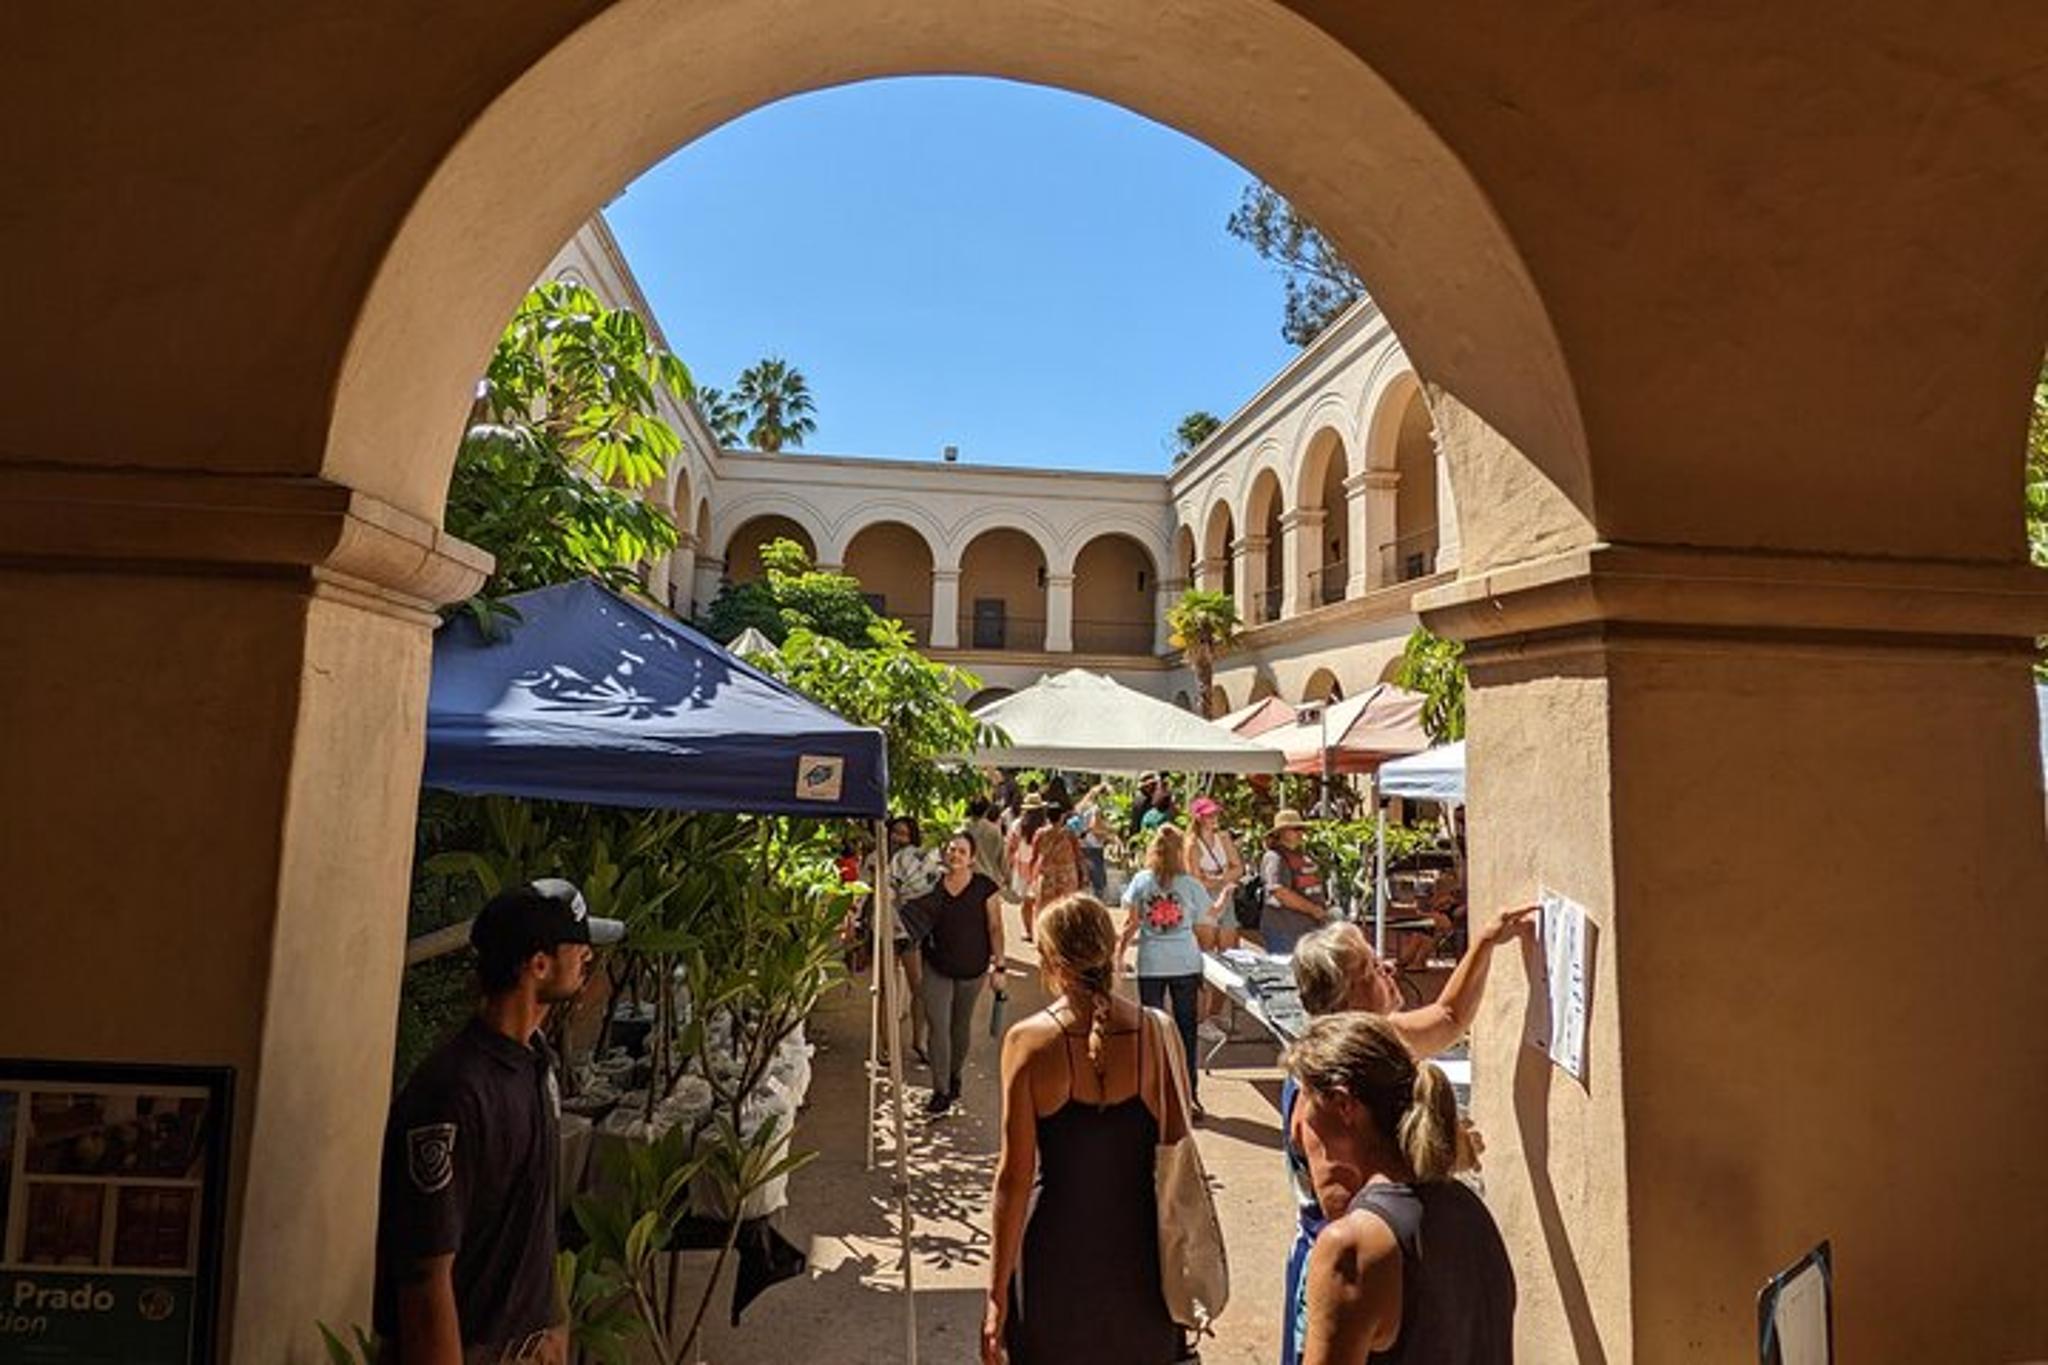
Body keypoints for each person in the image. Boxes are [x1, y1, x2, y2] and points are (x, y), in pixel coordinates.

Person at [373, 878, 623, 1365]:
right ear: (538, 964)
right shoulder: (453, 1094)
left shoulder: (534, 1063)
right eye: (579, 948)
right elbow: (425, 1274)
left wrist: (553, 1323)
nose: (589, 959)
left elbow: (531, 1215)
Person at [1276, 910, 1536, 1365]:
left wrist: (1486, 943)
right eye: (1372, 969)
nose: (1388, 969)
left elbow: (1449, 1015)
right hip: (1359, 1283)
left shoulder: (1377, 1046)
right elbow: (1343, 1204)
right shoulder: (1319, 1085)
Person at [984, 894, 1188, 1365]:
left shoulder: (1029, 1043)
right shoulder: (1157, 1035)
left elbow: (1014, 1178)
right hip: (1141, 1254)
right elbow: (1178, 1159)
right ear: (1112, 947)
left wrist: (995, 1295)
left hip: (1054, 1252)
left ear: (1051, 961)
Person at [1285, 1012, 1515, 1365]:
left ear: (1344, 1105)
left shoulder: (1352, 1246)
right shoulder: (1469, 1209)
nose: (1300, 1122)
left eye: (1305, 1098)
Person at [1117, 824, 1211, 1117]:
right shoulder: (1191, 884)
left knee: (1152, 1031)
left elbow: (1130, 923)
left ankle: (1151, 1094)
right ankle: (1189, 1095)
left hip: (1152, 963)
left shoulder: (1142, 881)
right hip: (1184, 962)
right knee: (1186, 1031)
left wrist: (1117, 956)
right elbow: (1204, 924)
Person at [914, 831, 1006, 1115]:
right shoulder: (931, 884)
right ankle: (940, 1090)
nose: (955, 855)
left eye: (962, 851)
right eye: (951, 850)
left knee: (959, 1026)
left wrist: (999, 967)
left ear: (972, 858)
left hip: (972, 968)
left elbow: (995, 927)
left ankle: (954, 1075)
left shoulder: (984, 888)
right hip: (936, 965)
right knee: (938, 1026)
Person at [887, 816, 940, 1061]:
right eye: (895, 832)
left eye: (903, 834)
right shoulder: (875, 858)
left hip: (910, 930)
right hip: (884, 929)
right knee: (885, 989)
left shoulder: (920, 861)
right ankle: (885, 1045)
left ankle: (919, 1041)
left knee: (918, 987)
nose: (898, 838)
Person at [1259, 808, 1328, 955]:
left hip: (1306, 930)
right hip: (1284, 930)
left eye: (1301, 829)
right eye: (1295, 829)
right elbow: (1280, 892)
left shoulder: (1303, 855)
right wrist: (1314, 910)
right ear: (1281, 832)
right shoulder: (1274, 857)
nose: (1300, 833)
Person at [1027, 795, 1086, 940]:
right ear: (1061, 817)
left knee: (1045, 910)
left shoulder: (1040, 834)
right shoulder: (1069, 834)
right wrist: (1083, 874)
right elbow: (1079, 856)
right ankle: (1065, 938)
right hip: (1067, 877)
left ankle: (1044, 938)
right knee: (1067, 909)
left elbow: (1034, 858)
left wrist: (1031, 879)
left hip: (1047, 877)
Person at [1007, 797, 1047, 940]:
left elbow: (1011, 846)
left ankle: (1029, 931)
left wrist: (1009, 865)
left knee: (1026, 902)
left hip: (1022, 866)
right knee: (1040, 902)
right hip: (1039, 867)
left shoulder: (1018, 824)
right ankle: (1041, 932)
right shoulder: (1045, 825)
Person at [965, 796, 1008, 886]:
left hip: (966, 879)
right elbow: (1001, 859)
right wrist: (1007, 877)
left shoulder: (962, 828)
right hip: (989, 878)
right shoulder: (994, 830)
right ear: (986, 810)